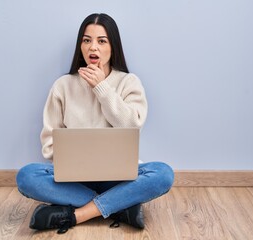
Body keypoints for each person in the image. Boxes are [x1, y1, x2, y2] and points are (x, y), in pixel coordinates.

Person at [16, 13, 174, 234]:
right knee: (26, 176)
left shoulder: (129, 82)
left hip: (119, 179)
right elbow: (49, 144)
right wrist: (74, 161)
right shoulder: (63, 85)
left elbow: (131, 126)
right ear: (80, 46)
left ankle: (76, 214)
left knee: (163, 173)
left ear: (113, 46)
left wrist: (102, 88)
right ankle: (120, 207)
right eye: (87, 40)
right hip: (74, 181)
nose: (93, 48)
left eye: (102, 41)